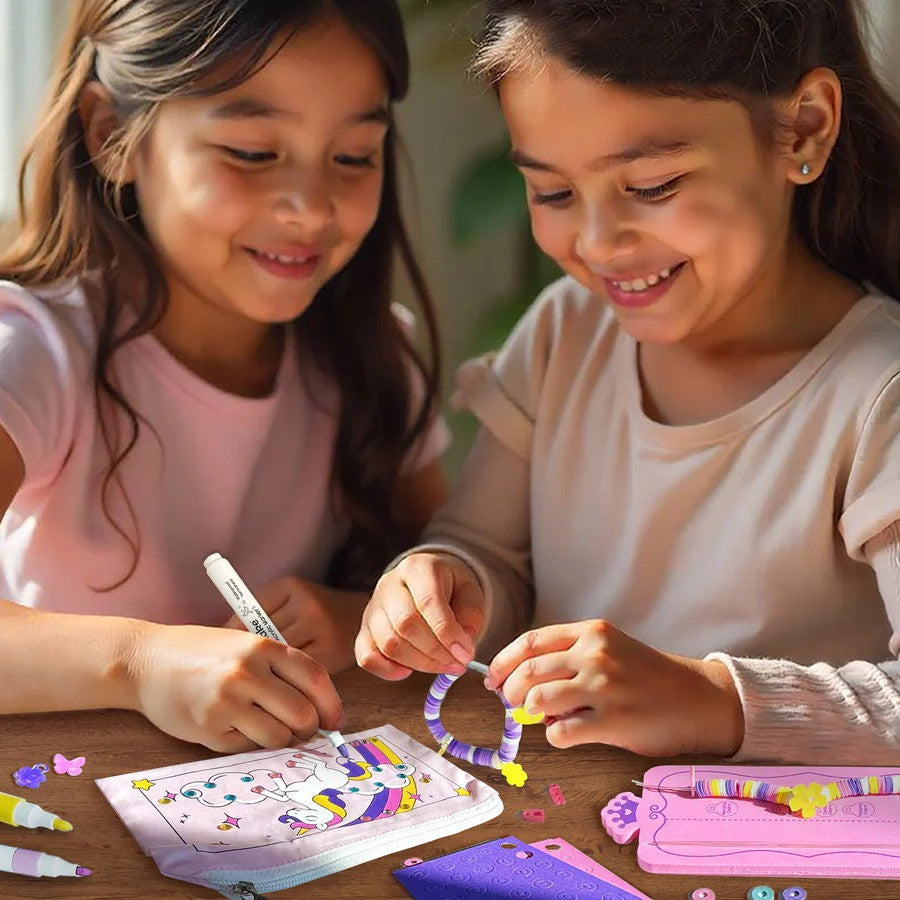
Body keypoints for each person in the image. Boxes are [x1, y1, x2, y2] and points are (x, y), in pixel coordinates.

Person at [357, 0, 900, 763]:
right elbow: (486, 552)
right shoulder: (563, 333)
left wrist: (713, 700)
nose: (598, 242)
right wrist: (447, 587)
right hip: (570, 831)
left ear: (803, 128)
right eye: (552, 193)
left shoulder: (879, 394)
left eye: (652, 185)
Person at [0, 0, 448, 753]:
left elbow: (462, 570)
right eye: (250, 151)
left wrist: (366, 616)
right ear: (111, 135)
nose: (310, 209)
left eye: (353, 156)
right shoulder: (33, 349)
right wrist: (141, 664)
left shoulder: (373, 357)